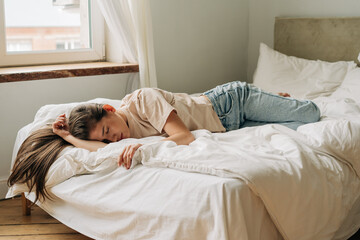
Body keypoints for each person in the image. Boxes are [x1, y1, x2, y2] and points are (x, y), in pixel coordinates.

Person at [8, 81, 320, 202]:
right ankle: (275, 101)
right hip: (230, 129)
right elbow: (99, 150)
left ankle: (268, 95)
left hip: (231, 104)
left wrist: (144, 146)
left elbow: (183, 137)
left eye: (107, 131)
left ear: (109, 110)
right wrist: (64, 136)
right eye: (106, 139)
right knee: (288, 127)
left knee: (310, 115)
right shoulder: (119, 135)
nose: (113, 139)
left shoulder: (144, 100)